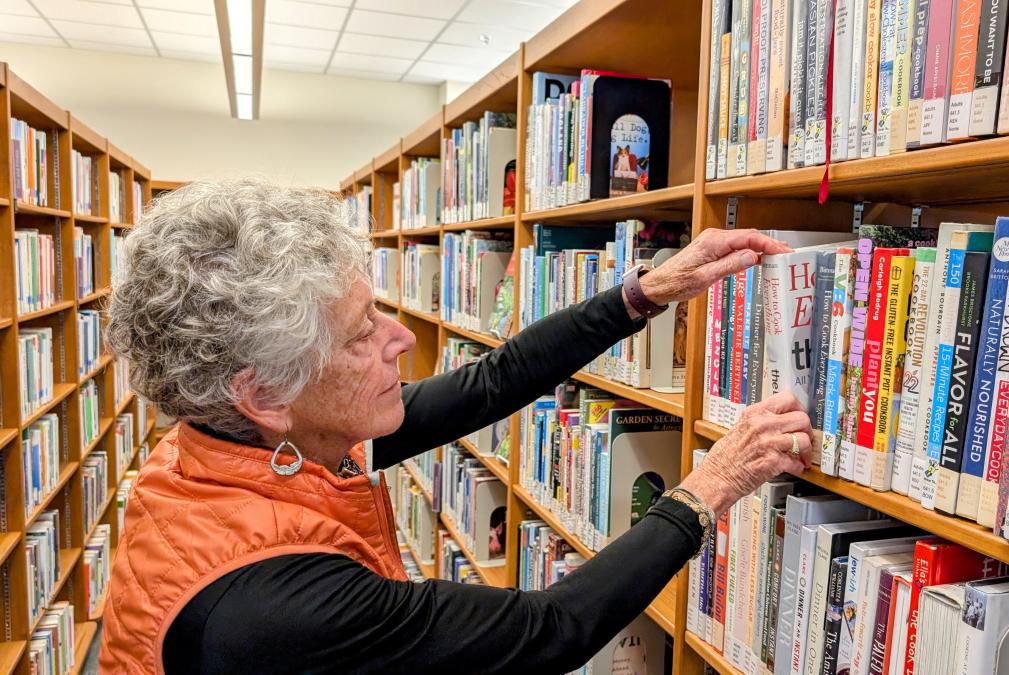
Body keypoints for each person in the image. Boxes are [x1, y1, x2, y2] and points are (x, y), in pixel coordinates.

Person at [100, 179, 816, 674]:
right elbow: (550, 628)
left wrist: (645, 291)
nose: (401, 339)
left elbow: (493, 381)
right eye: (358, 336)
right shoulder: (271, 606)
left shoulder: (251, 442)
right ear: (264, 392)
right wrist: (716, 480)